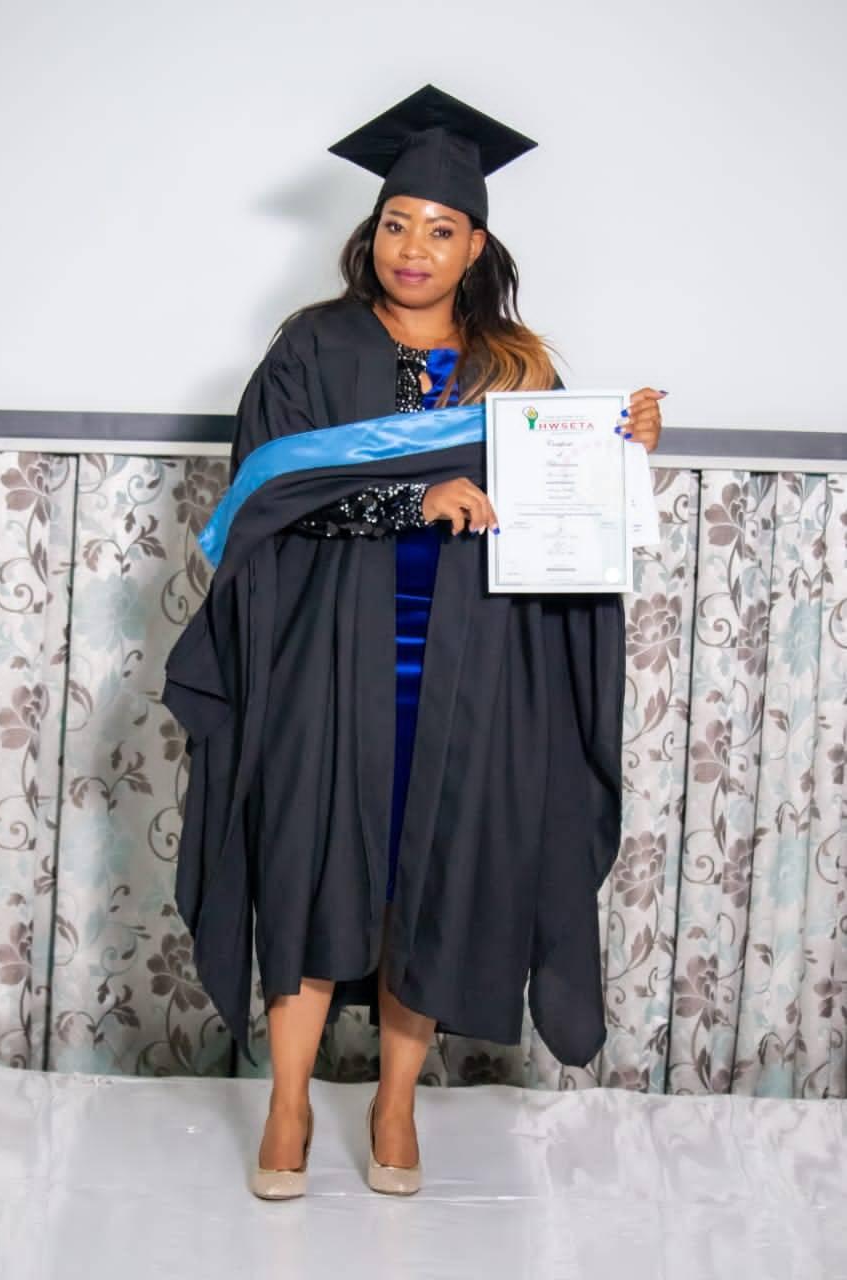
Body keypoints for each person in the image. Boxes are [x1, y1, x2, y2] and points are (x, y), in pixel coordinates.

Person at [160, 84, 664, 1200]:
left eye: (440, 230)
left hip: (470, 664)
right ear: (371, 231)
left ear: (475, 245)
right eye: (396, 224)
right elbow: (265, 499)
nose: (413, 249)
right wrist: (409, 501)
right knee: (306, 864)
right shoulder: (312, 347)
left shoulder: (516, 368)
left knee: (427, 877)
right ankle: (290, 1102)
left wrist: (621, 442)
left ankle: (395, 1101)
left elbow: (566, 501)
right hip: (330, 658)